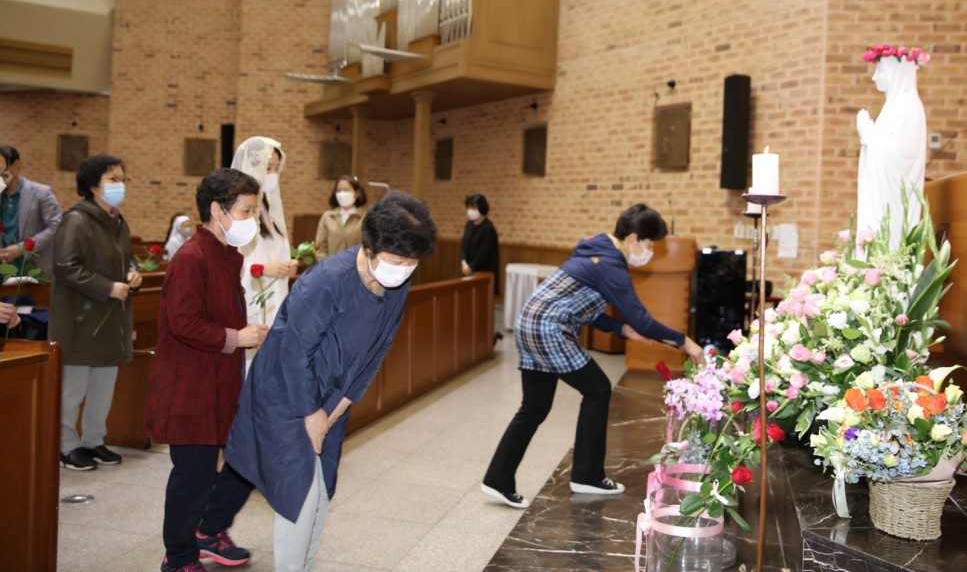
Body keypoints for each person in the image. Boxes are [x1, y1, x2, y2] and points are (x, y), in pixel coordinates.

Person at [225, 191, 436, 572]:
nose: (404, 270)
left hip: (332, 396)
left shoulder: (395, 284)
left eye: (412, 263)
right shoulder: (327, 281)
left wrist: (339, 406)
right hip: (286, 393)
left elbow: (379, 347)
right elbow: (294, 354)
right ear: (370, 247)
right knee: (299, 494)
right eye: (398, 261)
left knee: (323, 490)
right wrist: (311, 413)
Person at [481, 204, 705, 509]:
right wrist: (686, 343)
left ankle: (498, 478)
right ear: (634, 238)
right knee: (598, 389)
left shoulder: (596, 249)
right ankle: (587, 475)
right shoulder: (610, 262)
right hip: (549, 328)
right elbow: (641, 318)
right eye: (650, 245)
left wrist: (622, 329)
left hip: (529, 323)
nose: (649, 252)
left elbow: (586, 308)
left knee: (534, 407)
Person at [143, 168, 270, 572]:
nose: (251, 219)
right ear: (218, 210)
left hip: (220, 382)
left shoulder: (225, 255)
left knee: (244, 460)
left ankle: (209, 530)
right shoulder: (191, 258)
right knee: (193, 477)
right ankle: (179, 558)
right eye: (246, 211)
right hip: (191, 387)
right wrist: (238, 337)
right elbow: (183, 323)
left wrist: (247, 334)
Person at [50, 155, 139, 471]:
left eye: (122, 179)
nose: (120, 185)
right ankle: (66, 445)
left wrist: (132, 274)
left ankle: (93, 440)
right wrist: (107, 287)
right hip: (80, 318)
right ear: (92, 185)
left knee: (103, 387)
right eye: (113, 179)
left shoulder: (118, 221)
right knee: (72, 390)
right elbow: (65, 266)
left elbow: (125, 259)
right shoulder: (77, 220)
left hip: (109, 320)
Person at [231, 136, 296, 369]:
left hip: (274, 293)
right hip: (250, 294)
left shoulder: (270, 207)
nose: (273, 174)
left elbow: (277, 249)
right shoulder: (236, 210)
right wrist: (262, 269)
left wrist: (287, 265)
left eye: (277, 169)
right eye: (268, 168)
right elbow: (229, 261)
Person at [856, 45, 927, 248]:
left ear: (895, 73)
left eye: (880, 71)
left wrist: (868, 135)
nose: (874, 77)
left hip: (894, 202)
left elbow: (901, 158)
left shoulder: (908, 106)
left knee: (890, 244)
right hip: (884, 196)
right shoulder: (894, 106)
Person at [0, 145, 64, 276]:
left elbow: (56, 226)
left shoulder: (41, 193)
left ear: (16, 165)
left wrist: (23, 248)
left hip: (33, 271)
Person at [314, 174, 366, 262]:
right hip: (331, 267)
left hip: (357, 267)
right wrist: (327, 265)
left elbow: (369, 247)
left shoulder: (365, 217)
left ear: (357, 193)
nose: (342, 194)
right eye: (339, 191)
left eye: (346, 190)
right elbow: (319, 246)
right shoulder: (328, 217)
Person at [460, 193, 500, 293]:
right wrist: (464, 262)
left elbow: (484, 252)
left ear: (482, 208)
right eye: (469, 207)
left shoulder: (488, 228)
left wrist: (471, 267)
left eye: (473, 208)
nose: (470, 211)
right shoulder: (469, 225)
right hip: (467, 269)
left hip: (483, 271)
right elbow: (463, 245)